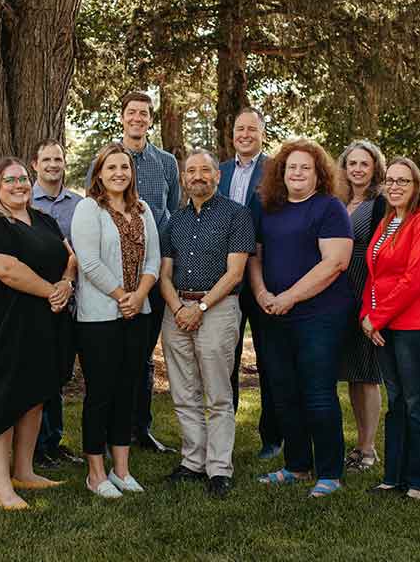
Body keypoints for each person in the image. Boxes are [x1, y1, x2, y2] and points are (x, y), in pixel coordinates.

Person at [0, 157, 76, 511]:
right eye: (9, 180)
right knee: (4, 399)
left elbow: (69, 257)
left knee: (35, 393)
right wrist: (51, 291)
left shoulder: (44, 220)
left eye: (23, 178)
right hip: (2, 323)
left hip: (44, 321)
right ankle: (1, 485)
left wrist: (67, 283)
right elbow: (6, 270)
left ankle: (25, 470)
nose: (19, 185)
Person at [247, 138, 352, 498]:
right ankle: (296, 465)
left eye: (305, 167)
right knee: (284, 392)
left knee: (318, 393)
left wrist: (290, 297)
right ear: (281, 171)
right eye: (291, 166)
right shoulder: (270, 208)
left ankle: (330, 472)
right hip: (274, 313)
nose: (297, 172)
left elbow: (335, 262)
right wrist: (262, 293)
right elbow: (255, 256)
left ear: (318, 173)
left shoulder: (330, 208)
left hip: (319, 316)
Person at [87, 91, 181, 453]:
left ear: (150, 120)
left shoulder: (167, 163)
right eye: (132, 113)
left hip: (150, 273)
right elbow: (94, 209)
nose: (138, 118)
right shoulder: (106, 160)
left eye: (144, 113)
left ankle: (140, 428)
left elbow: (169, 215)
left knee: (142, 354)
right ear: (122, 117)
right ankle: (112, 428)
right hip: (109, 277)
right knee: (111, 354)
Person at [160, 149, 255, 498]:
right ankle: (192, 462)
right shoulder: (175, 221)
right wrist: (178, 307)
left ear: (218, 175)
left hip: (217, 307)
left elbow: (236, 273)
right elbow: (164, 273)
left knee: (217, 393)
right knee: (184, 392)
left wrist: (199, 306)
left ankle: (219, 468)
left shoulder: (237, 215)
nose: (197, 176)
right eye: (191, 171)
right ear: (184, 178)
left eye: (205, 170)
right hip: (176, 310)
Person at [72, 142, 160, 498]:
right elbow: (89, 262)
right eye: (111, 168)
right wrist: (123, 296)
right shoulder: (88, 209)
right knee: (101, 393)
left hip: (138, 314)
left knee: (129, 390)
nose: (119, 173)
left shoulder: (143, 209)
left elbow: (154, 259)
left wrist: (139, 297)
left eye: (124, 167)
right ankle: (95, 474)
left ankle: (121, 470)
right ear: (99, 173)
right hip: (99, 318)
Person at [362, 157, 420, 500]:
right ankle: (394, 476)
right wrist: (367, 316)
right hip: (384, 325)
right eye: (390, 181)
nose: (394, 187)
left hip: (415, 325)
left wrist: (377, 318)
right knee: (395, 401)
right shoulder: (386, 222)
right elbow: (374, 275)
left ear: (416, 187)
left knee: (416, 401)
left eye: (403, 181)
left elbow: (413, 280)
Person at [217, 106, 283, 460]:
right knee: (224, 358)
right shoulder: (220, 171)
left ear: (261, 133)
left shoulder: (276, 170)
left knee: (269, 358)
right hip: (225, 278)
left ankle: (272, 436)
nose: (244, 134)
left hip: (265, 276)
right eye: (239, 129)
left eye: (251, 129)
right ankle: (222, 432)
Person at [30, 138, 84, 468]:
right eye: (46, 159)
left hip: (68, 298)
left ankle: (54, 440)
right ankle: (36, 445)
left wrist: (68, 284)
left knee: (59, 374)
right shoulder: (23, 200)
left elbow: (79, 254)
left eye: (58, 159)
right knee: (38, 376)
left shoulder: (78, 205)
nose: (53, 164)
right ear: (35, 164)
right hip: (34, 299)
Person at [335, 140, 388, 472]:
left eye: (364, 164)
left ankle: (368, 449)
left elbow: (384, 253)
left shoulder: (380, 203)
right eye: (351, 163)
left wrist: (376, 305)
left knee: (367, 373)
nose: (357, 169)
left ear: (375, 168)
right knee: (351, 372)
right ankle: (357, 445)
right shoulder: (337, 201)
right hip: (336, 292)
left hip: (366, 289)